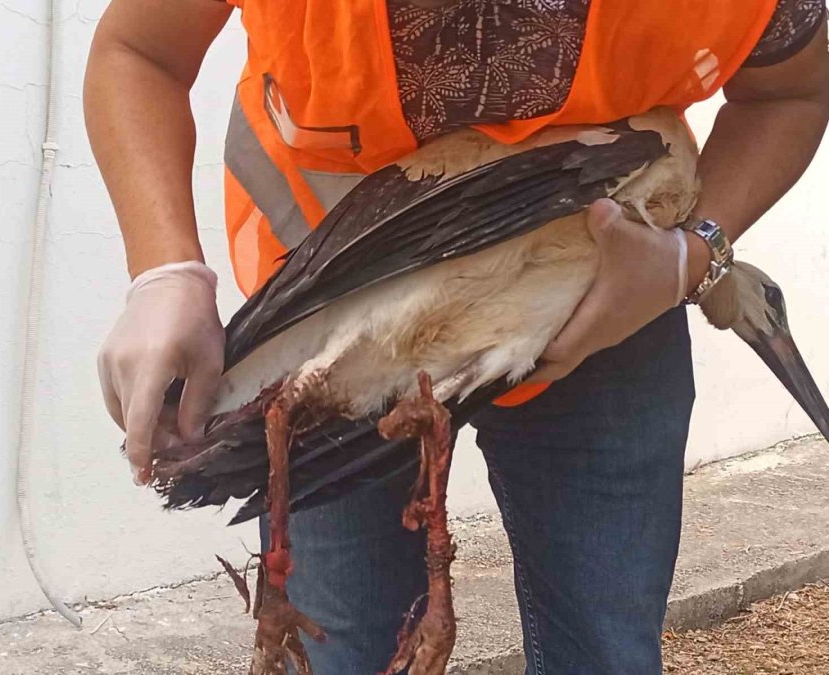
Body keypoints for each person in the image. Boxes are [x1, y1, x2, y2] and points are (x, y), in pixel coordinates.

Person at [85, 1, 829, 672]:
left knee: (605, 650)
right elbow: (140, 50)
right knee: (341, 651)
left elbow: (792, 91)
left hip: (608, 316)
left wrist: (692, 255)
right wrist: (165, 269)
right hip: (336, 342)